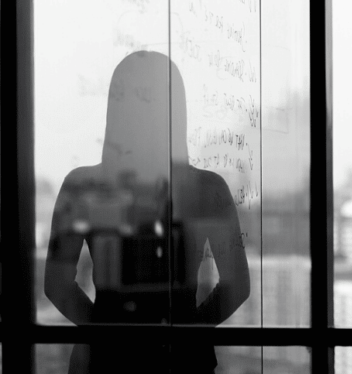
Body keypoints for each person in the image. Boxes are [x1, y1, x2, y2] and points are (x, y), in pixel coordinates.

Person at [45, 50, 250, 373]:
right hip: (183, 360)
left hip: (110, 359)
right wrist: (186, 331)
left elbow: (56, 284)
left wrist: (104, 331)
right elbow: (237, 286)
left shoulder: (82, 185)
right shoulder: (207, 189)